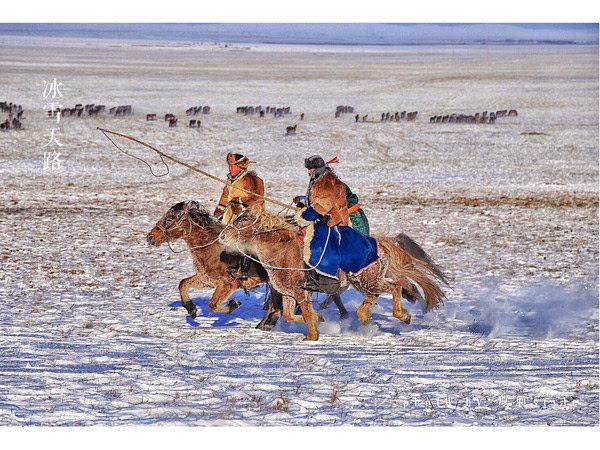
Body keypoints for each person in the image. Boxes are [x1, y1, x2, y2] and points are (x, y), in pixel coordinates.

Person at [295, 155, 378, 293]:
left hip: (333, 220)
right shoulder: (318, 179)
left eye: (310, 169)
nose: (308, 172)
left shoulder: (327, 181)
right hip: (323, 218)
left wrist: (305, 216)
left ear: (317, 169)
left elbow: (324, 204)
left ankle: (327, 280)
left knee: (320, 243)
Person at [214, 152, 265, 278]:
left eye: (233, 166)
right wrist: (220, 209)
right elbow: (226, 195)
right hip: (232, 214)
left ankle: (244, 268)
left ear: (241, 166)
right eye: (229, 165)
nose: (230, 168)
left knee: (243, 238)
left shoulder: (253, 180)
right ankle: (229, 263)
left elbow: (257, 198)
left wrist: (241, 204)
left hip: (250, 214)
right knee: (224, 236)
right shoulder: (230, 180)